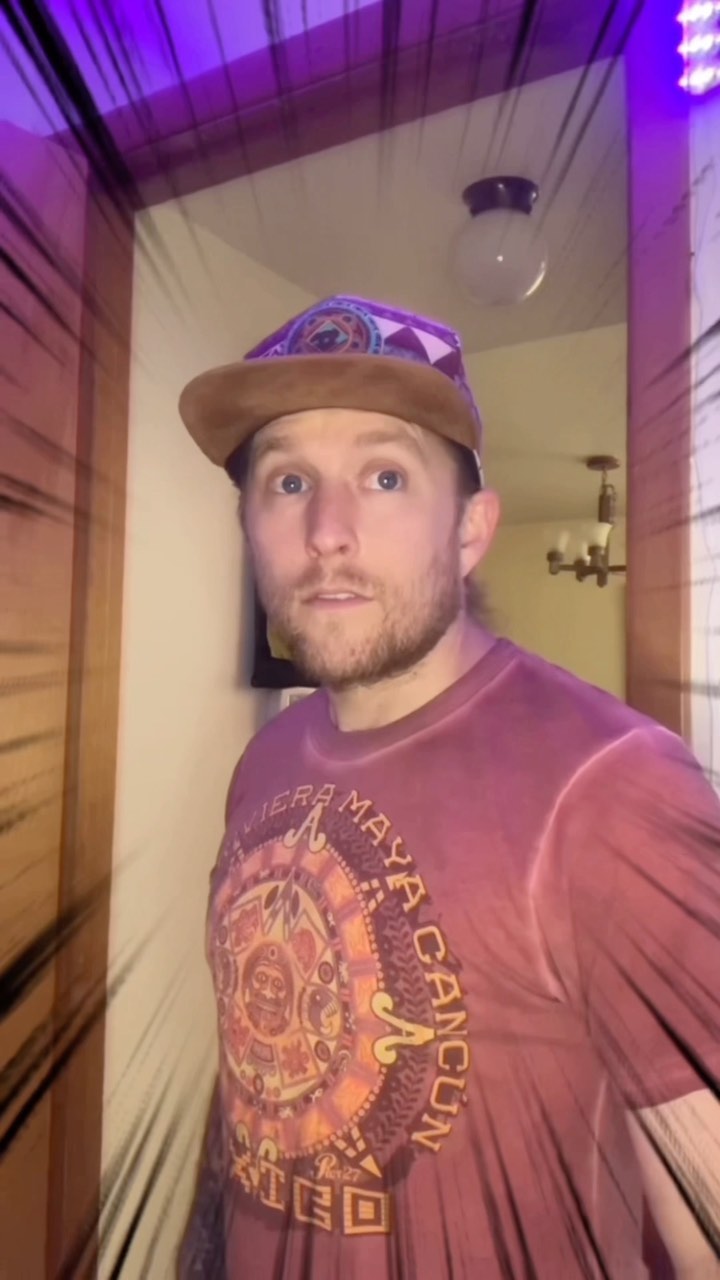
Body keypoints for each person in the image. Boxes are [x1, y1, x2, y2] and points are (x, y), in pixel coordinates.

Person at [177, 296, 720, 1279]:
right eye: (288, 481)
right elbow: (252, 1089)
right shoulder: (267, 761)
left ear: (471, 531)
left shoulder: (615, 791)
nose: (328, 531)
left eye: (385, 475)